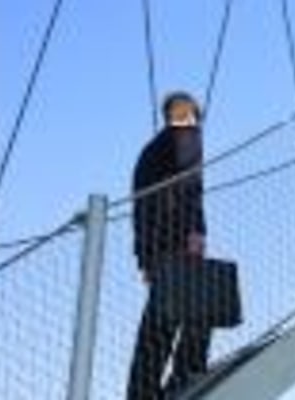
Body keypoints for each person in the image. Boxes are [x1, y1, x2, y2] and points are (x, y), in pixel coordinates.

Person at [127, 91, 210, 399]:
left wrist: (144, 259)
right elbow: (190, 187)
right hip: (179, 238)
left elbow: (139, 208)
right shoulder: (186, 136)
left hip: (156, 245)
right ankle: (188, 371)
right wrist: (195, 232)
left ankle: (141, 391)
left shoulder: (149, 152)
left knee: (160, 321)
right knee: (203, 302)